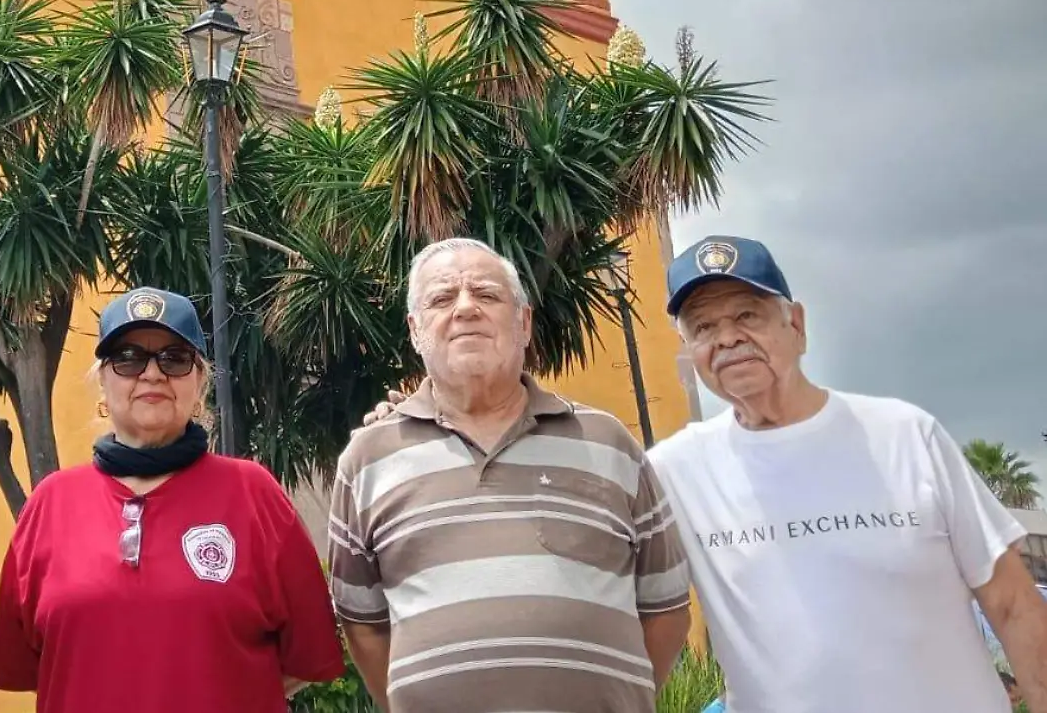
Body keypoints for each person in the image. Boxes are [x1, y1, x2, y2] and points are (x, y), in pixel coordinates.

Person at [647, 235, 1047, 713]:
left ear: (795, 324)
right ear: (689, 351)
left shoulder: (906, 436)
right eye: (703, 326)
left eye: (746, 315)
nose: (727, 338)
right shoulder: (673, 471)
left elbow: (1014, 604)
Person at [330, 238, 692, 712]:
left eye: (487, 294)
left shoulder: (608, 443)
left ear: (523, 323)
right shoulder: (367, 459)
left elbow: (665, 607)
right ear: (416, 330)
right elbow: (363, 624)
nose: (465, 309)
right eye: (442, 298)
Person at [0, 286, 346, 712]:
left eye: (174, 358)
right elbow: (35, 668)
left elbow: (307, 654)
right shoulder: (49, 505)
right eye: (128, 358)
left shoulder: (254, 495)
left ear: (201, 381)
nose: (152, 374)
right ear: (102, 379)